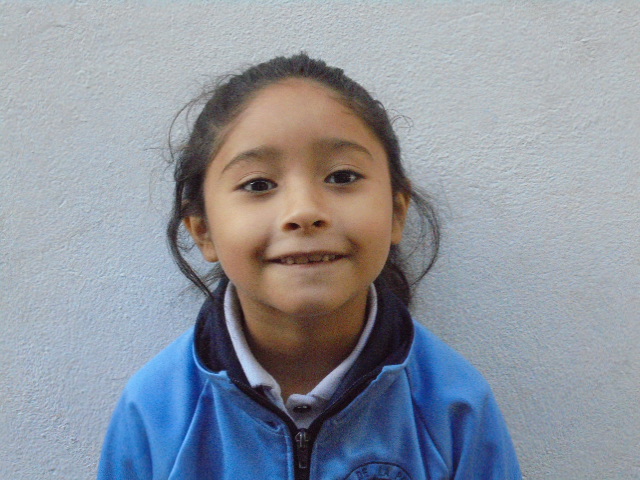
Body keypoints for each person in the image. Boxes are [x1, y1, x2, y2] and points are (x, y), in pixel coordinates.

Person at [98, 53, 521, 479]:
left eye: (342, 177)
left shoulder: (455, 408)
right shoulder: (153, 413)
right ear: (203, 229)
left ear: (396, 212)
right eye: (258, 184)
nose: (304, 211)